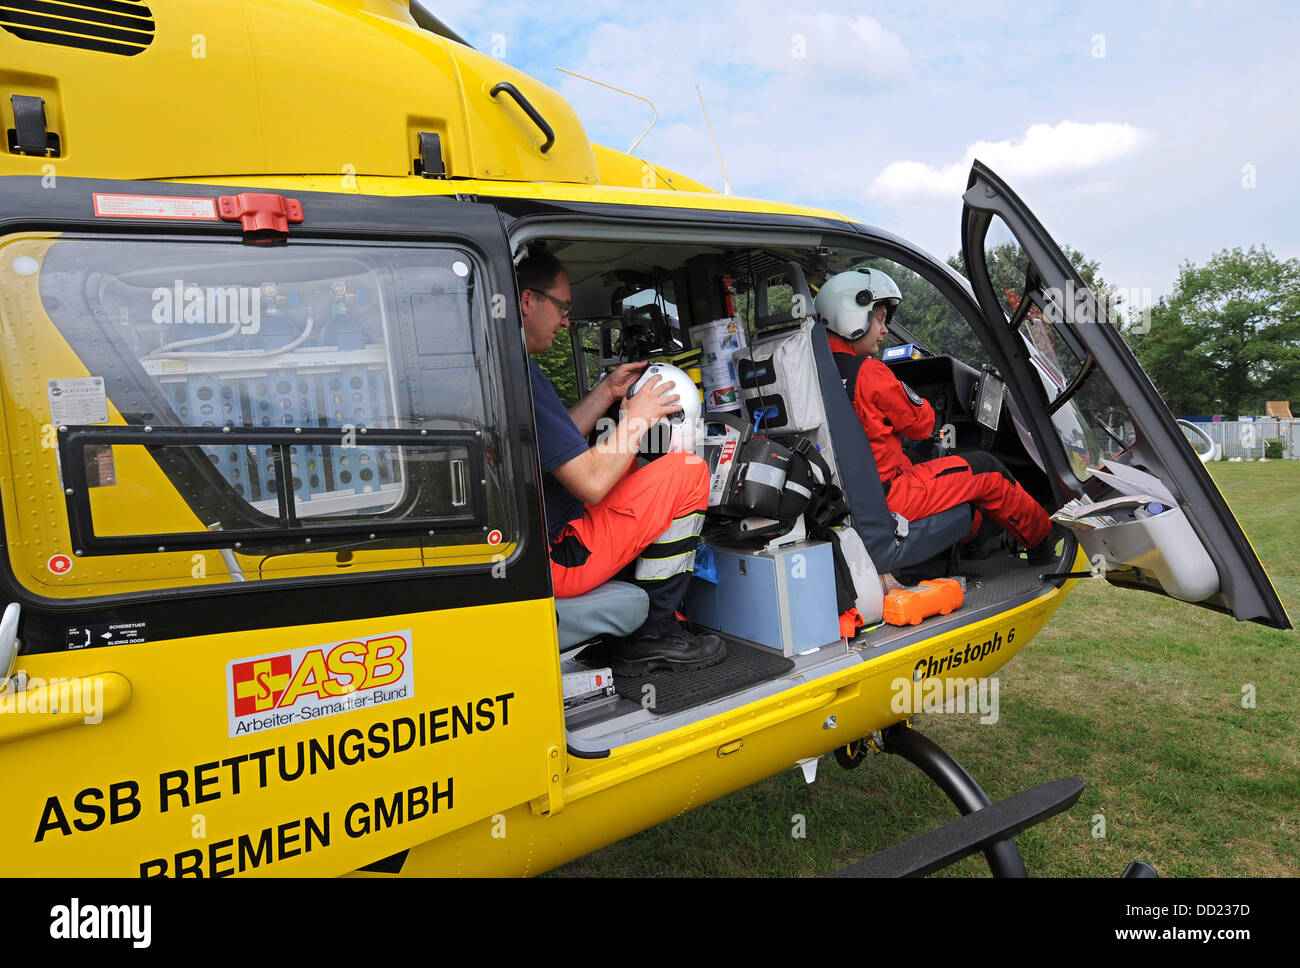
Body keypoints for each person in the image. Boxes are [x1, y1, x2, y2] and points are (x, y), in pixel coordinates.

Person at [518, 247, 726, 674]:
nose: (565, 321)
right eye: (561, 308)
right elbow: (591, 482)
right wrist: (636, 419)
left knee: (627, 467)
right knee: (688, 473)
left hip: (537, 542)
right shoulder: (520, 374)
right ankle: (653, 636)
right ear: (526, 301)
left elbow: (558, 442)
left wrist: (610, 392)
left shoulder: (502, 365)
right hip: (555, 558)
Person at [815, 268, 1065, 566]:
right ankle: (1042, 539)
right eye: (880, 318)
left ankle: (975, 541)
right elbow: (924, 426)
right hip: (889, 497)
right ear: (851, 316)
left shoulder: (813, 372)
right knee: (985, 469)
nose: (884, 330)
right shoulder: (869, 373)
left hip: (844, 497)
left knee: (925, 463)